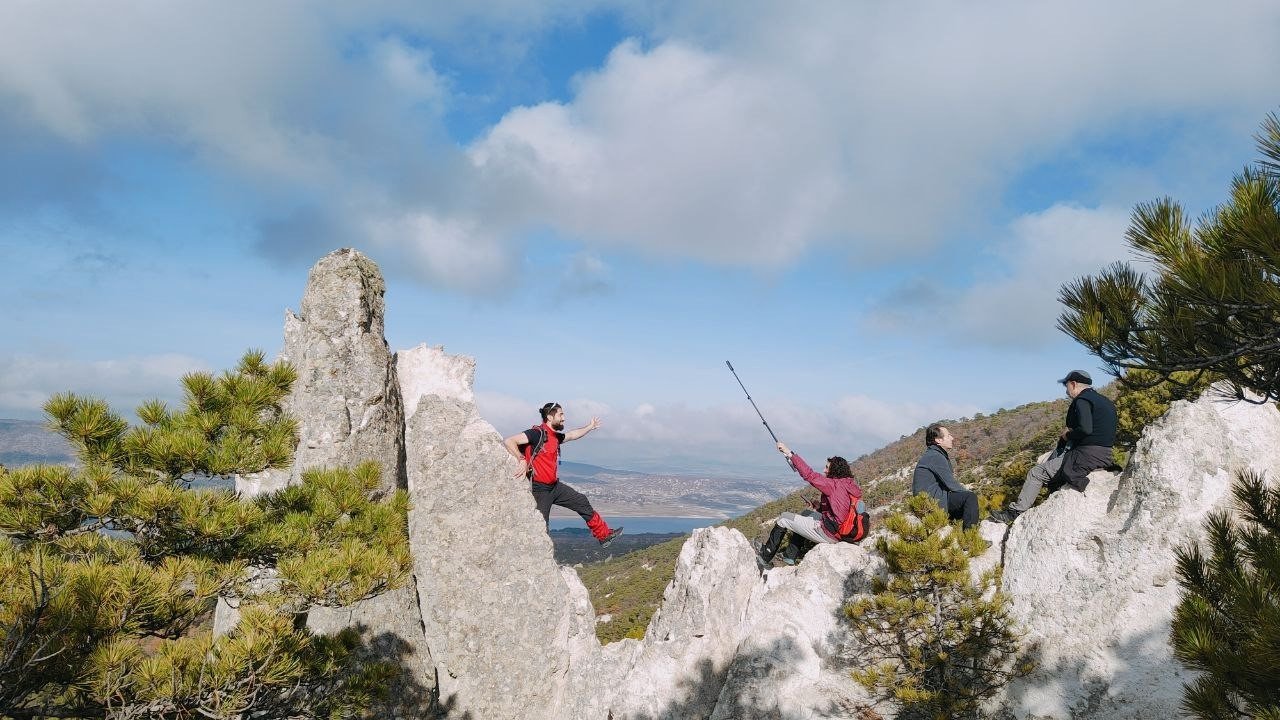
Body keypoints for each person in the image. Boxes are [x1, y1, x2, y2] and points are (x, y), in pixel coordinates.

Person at [988, 370, 1117, 524]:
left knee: (1036, 473)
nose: (1066, 391)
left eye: (1066, 386)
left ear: (1073, 384)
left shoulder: (1082, 400)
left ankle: (1014, 513)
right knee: (1053, 463)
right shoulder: (1105, 401)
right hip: (1106, 454)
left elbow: (1086, 429)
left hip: (1086, 455)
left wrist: (1067, 435)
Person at [503, 402, 623, 546]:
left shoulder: (554, 436)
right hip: (539, 490)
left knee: (581, 501)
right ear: (549, 417)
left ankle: (604, 535)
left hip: (555, 487)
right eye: (561, 414)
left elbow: (572, 435)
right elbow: (509, 441)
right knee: (541, 527)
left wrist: (590, 427)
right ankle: (540, 559)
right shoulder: (536, 434)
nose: (564, 418)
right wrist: (521, 459)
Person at [757, 441, 863, 568]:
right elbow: (842, 510)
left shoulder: (833, 485)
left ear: (834, 471)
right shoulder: (849, 484)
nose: (824, 470)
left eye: (827, 467)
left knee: (784, 518)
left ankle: (765, 555)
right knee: (806, 514)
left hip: (830, 534)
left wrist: (789, 453)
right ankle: (789, 556)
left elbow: (809, 475)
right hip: (842, 531)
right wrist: (820, 508)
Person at [912, 423, 979, 528]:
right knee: (970, 498)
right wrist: (968, 494)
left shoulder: (933, 454)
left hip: (931, 501)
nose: (952, 438)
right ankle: (970, 538)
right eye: (948, 435)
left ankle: (962, 533)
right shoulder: (935, 456)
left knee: (967, 508)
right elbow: (951, 484)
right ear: (938, 440)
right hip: (932, 503)